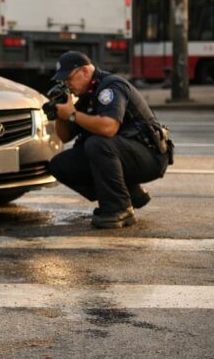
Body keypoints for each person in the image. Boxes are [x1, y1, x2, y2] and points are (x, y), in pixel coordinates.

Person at [47, 51, 170, 229]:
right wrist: (59, 112)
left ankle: (119, 208)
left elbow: (108, 128)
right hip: (126, 154)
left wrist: (73, 115)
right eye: (63, 81)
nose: (66, 84)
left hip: (151, 155)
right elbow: (65, 136)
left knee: (97, 144)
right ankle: (128, 192)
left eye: (68, 78)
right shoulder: (86, 94)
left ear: (84, 71)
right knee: (60, 164)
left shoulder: (110, 87)